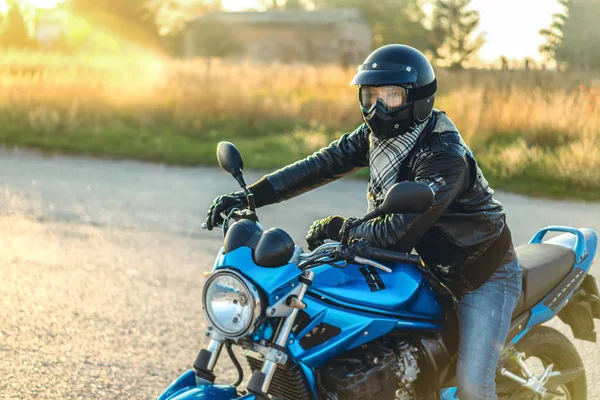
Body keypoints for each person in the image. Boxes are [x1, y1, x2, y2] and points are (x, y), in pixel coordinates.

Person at [205, 44, 522, 400]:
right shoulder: (380, 136)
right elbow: (323, 163)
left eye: (391, 95)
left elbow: (396, 233)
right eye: (370, 95)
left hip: (474, 272)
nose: (376, 107)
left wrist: (341, 229)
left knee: (473, 387)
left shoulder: (444, 156)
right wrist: (250, 197)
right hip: (415, 265)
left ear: (417, 99)